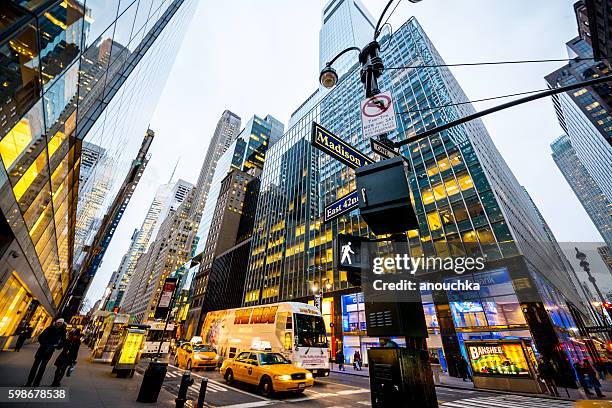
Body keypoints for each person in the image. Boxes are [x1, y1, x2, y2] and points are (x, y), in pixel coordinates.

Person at [25, 319, 66, 387]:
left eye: (60, 323)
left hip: (49, 351)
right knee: (35, 367)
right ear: (56, 322)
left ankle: (36, 383)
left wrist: (57, 346)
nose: (59, 324)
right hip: (42, 349)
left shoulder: (62, 332)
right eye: (58, 322)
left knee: (42, 368)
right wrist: (45, 344)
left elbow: (63, 342)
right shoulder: (49, 328)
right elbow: (40, 337)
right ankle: (29, 383)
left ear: (62, 324)